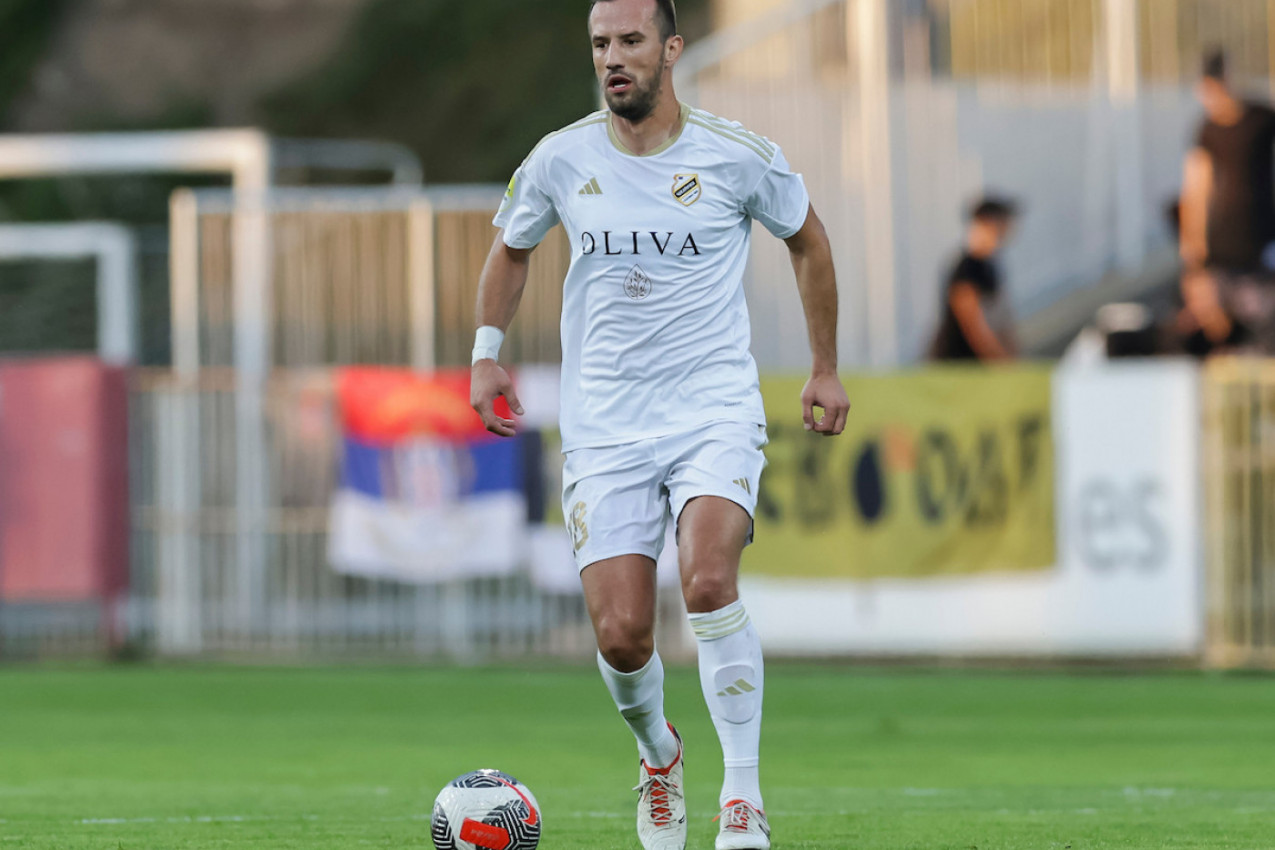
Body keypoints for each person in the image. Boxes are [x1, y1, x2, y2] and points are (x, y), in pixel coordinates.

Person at [469, 1, 850, 848]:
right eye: (600, 43)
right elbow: (512, 247)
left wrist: (823, 366)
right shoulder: (560, 156)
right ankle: (658, 754)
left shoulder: (735, 154)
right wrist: (485, 353)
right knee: (621, 634)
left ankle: (742, 797)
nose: (613, 57)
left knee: (709, 582)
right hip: (604, 423)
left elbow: (809, 241)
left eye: (631, 41)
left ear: (671, 49)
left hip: (711, 408)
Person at [1180, 49, 1275, 353]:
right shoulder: (1207, 130)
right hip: (1222, 247)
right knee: (1221, 328)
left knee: (1263, 321)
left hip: (1262, 244)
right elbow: (1196, 190)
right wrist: (1193, 250)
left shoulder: (1262, 119)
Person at [927, 197, 1020, 362]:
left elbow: (1000, 324)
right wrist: (1000, 362)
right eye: (1004, 222)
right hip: (956, 362)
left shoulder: (989, 267)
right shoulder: (968, 268)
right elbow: (973, 326)